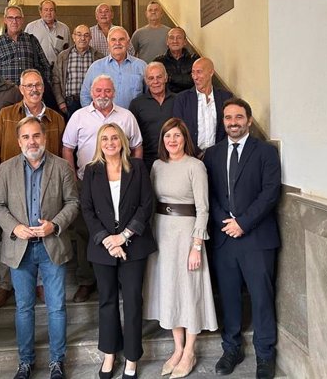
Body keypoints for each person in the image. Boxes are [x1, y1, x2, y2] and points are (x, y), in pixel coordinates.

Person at [0, 117, 79, 379]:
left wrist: (55, 224)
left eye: (37, 136)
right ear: (19, 142)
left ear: (45, 137)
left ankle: (57, 362)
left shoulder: (62, 167)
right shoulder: (6, 169)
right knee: (23, 308)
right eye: (26, 137)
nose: (32, 141)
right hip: (20, 248)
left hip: (52, 245)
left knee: (56, 307)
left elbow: (73, 202)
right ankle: (25, 362)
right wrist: (14, 227)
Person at [203, 98, 281, 379]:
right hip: (225, 238)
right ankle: (231, 349)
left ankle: (264, 354)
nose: (232, 122)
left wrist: (243, 223)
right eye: (227, 117)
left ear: (248, 120)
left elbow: (270, 192)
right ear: (222, 121)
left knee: (261, 298)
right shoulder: (211, 154)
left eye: (238, 117)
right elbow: (208, 193)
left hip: (257, 238)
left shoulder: (266, 153)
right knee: (229, 297)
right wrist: (226, 222)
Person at [80, 123, 157, 379]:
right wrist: (108, 240)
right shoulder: (91, 172)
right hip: (103, 248)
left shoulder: (137, 167)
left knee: (133, 301)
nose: (110, 142)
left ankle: (133, 357)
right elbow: (87, 210)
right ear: (99, 144)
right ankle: (110, 353)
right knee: (107, 301)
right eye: (105, 139)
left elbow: (146, 205)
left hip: (133, 245)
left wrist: (123, 237)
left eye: (115, 138)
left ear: (122, 141)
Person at [0, 69, 66, 308]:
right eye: (29, 85)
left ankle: (40, 283)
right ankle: (4, 285)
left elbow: (61, 156)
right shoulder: (6, 115)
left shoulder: (56, 118)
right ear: (21, 89)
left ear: (43, 88)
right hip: (11, 192)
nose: (34, 89)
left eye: (38, 85)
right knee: (10, 238)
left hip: (45, 191)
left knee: (44, 238)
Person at [143, 118, 217, 378]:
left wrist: (197, 245)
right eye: (167, 136)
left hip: (187, 235)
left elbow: (203, 208)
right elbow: (150, 203)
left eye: (176, 136)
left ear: (185, 138)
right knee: (170, 289)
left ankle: (190, 351)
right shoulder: (156, 166)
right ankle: (177, 348)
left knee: (189, 289)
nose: (172, 141)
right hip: (162, 233)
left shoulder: (196, 166)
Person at [62, 75, 143, 303]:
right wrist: (73, 178)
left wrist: (135, 174)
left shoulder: (126, 116)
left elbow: (137, 146)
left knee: (121, 228)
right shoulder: (79, 117)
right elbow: (67, 148)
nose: (103, 95)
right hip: (87, 183)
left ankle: (119, 277)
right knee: (86, 231)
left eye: (107, 91)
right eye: (98, 90)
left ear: (114, 92)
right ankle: (86, 280)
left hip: (120, 183)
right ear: (91, 92)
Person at [173, 57, 233, 155]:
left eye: (199, 72)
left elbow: (230, 128)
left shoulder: (225, 97)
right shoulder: (182, 99)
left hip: (220, 155)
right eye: (193, 72)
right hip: (191, 156)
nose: (195, 77)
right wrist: (197, 154)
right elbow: (178, 130)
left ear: (211, 72)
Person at [80, 27, 147, 109]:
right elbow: (85, 96)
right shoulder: (95, 67)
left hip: (134, 119)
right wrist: (96, 117)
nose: (117, 43)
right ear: (108, 44)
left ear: (128, 43)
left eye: (121, 39)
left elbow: (149, 95)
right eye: (113, 40)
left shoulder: (141, 66)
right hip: (104, 120)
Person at [0, 5, 52, 86]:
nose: (14, 21)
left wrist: (43, 85)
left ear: (22, 20)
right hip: (5, 91)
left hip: (29, 91)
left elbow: (45, 66)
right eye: (10, 18)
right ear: (5, 20)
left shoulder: (31, 40)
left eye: (18, 18)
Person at [129, 62, 176, 171]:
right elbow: (132, 137)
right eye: (151, 78)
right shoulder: (137, 104)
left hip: (174, 159)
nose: (155, 81)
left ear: (166, 78)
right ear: (146, 81)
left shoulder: (178, 100)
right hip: (148, 162)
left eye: (159, 77)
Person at [51, 24, 103, 119]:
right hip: (69, 104)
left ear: (90, 38)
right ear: (73, 37)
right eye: (79, 35)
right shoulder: (62, 57)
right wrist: (60, 102)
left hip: (91, 103)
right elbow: (56, 81)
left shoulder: (98, 57)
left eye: (86, 35)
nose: (82, 38)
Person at [25, 0, 71, 67]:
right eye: (46, 10)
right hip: (38, 68)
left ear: (55, 12)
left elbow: (69, 51)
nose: (49, 13)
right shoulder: (31, 27)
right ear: (40, 12)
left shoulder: (64, 29)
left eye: (51, 10)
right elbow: (25, 49)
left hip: (57, 69)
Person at [154, 27, 200, 94]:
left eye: (179, 37)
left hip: (190, 98)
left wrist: (169, 77)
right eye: (171, 38)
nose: (175, 41)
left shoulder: (194, 59)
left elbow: (195, 80)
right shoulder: (159, 61)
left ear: (185, 42)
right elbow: (157, 84)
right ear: (167, 42)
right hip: (167, 100)